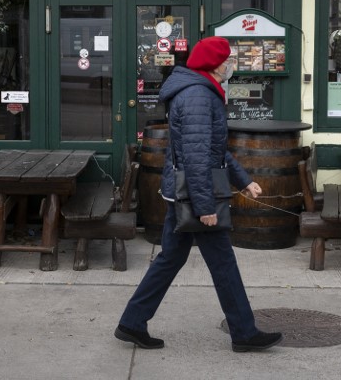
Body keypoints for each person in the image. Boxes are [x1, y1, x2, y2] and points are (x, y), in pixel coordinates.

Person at [115, 36, 283, 353]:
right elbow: (196, 158)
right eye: (228, 60)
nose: (232, 64)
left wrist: (244, 181)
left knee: (170, 258)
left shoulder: (201, 92)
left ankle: (133, 321)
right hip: (194, 197)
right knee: (223, 263)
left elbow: (213, 150)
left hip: (187, 194)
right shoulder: (197, 97)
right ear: (215, 64)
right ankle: (244, 333)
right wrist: (205, 206)